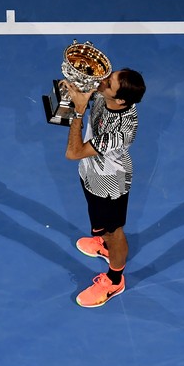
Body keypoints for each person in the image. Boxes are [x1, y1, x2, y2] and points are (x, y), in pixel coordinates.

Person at [63, 69, 146, 307]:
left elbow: (73, 152)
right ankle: (104, 245)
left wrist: (79, 110)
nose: (102, 82)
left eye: (108, 83)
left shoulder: (121, 131)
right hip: (90, 171)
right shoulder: (106, 96)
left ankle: (114, 280)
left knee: (114, 231)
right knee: (99, 225)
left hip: (110, 183)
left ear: (120, 99)